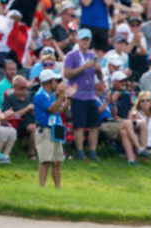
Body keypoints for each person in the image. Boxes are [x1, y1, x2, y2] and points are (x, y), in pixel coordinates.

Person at [63, 28, 103, 161]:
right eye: (83, 39)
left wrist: (99, 70)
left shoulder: (93, 55)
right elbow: (66, 74)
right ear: (78, 40)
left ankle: (92, 152)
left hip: (91, 95)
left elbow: (100, 76)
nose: (85, 42)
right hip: (77, 96)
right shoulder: (71, 55)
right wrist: (84, 67)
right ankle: (80, 152)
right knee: (78, 125)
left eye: (87, 39)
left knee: (95, 125)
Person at [34, 69, 77, 188]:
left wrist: (69, 98)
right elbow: (52, 109)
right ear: (49, 82)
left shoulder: (50, 95)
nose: (57, 83)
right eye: (55, 81)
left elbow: (62, 109)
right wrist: (61, 95)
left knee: (57, 161)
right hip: (46, 129)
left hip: (56, 128)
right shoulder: (40, 96)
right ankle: (42, 187)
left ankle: (58, 187)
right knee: (45, 161)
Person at [3, 76, 36, 160]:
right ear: (15, 87)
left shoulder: (28, 97)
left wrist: (33, 111)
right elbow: (9, 116)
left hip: (32, 120)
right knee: (34, 128)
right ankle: (31, 153)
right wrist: (26, 109)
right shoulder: (10, 99)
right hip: (18, 122)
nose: (25, 90)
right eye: (22, 88)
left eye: (26, 87)